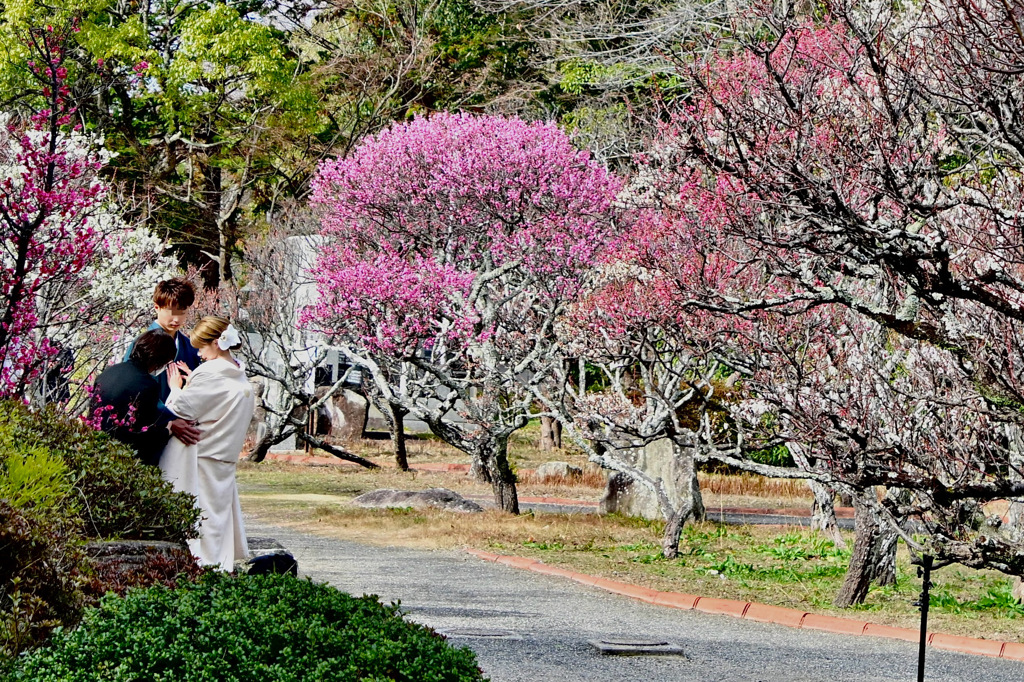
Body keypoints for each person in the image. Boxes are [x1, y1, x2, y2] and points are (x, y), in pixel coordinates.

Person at [160, 316, 255, 570]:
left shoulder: (210, 374)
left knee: (198, 518)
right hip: (224, 455)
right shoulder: (239, 374)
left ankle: (201, 568)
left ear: (216, 343)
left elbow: (179, 409)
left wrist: (176, 387)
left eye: (201, 347)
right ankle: (219, 567)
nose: (199, 354)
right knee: (217, 518)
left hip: (199, 454)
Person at [124, 278, 203, 450]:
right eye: (170, 311)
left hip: (185, 429)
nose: (176, 318)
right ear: (157, 307)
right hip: (149, 430)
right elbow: (132, 387)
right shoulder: (141, 344)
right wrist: (168, 419)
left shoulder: (189, 347)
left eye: (182, 311)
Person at [90, 329, 178, 466]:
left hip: (94, 444)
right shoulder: (147, 385)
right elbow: (142, 433)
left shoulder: (108, 372)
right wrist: (167, 430)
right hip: (120, 456)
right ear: (160, 361)